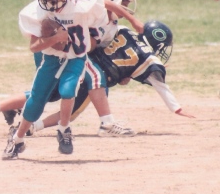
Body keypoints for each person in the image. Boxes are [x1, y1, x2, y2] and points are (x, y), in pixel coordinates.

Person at [0, 0, 145, 137]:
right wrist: (133, 20)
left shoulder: (112, 27)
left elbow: (94, 47)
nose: (126, 8)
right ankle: (107, 124)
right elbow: (103, 6)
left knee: (51, 93)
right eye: (124, 3)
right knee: (94, 75)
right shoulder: (87, 5)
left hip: (70, 51)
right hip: (51, 50)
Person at [2, 0, 108, 159]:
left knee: (68, 91)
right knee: (36, 103)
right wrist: (54, 39)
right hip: (51, 59)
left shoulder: (82, 4)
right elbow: (34, 47)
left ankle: (64, 129)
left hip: (76, 57)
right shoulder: (35, 12)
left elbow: (103, 11)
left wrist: (96, 36)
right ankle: (17, 139)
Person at [27, 20, 195, 135]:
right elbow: (161, 88)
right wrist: (177, 108)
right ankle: (34, 127)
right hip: (97, 76)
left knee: (47, 93)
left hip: (84, 61)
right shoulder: (148, 58)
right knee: (70, 112)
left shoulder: (124, 30)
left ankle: (11, 110)